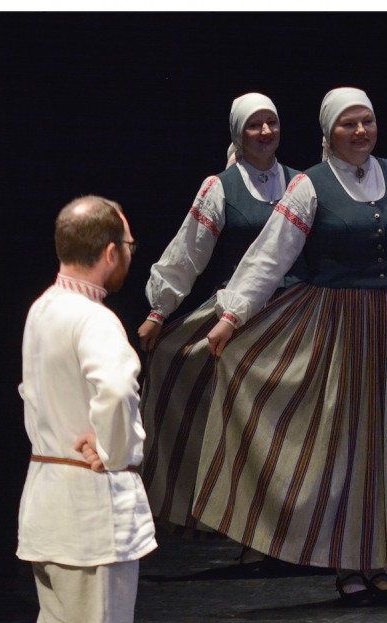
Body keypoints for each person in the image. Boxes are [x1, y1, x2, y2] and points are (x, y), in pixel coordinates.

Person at [198, 86, 387, 606]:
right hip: (342, 330)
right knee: (348, 447)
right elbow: (269, 256)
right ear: (329, 132)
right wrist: (231, 317)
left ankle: (383, 560)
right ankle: (349, 564)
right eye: (348, 124)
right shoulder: (309, 186)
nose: (360, 132)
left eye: (366, 121)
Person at [17, 195, 154, 623]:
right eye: (128, 245)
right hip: (88, 512)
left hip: (46, 500)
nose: (129, 255)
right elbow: (117, 390)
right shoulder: (95, 320)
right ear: (108, 253)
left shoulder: (43, 309)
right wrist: (117, 450)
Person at [138, 94, 305, 545]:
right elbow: (188, 250)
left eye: (271, 122)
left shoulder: (301, 184)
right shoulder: (221, 188)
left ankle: (292, 532)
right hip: (241, 322)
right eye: (255, 125)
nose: (266, 132)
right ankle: (248, 531)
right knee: (248, 428)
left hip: (295, 317)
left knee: (293, 428)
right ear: (237, 133)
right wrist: (159, 310)